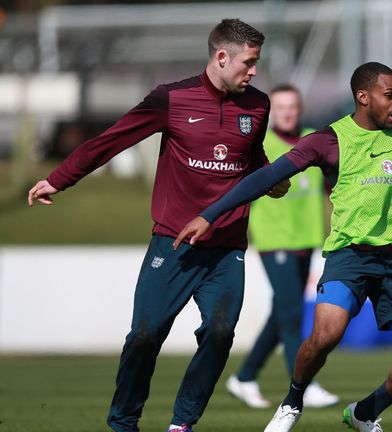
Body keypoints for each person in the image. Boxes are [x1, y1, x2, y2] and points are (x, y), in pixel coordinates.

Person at [27, 19, 290, 432]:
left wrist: (271, 178)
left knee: (221, 333)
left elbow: (250, 156)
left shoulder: (257, 105)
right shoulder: (172, 98)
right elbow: (113, 139)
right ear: (222, 57)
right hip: (172, 244)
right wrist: (61, 177)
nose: (254, 71)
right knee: (144, 338)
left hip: (227, 246)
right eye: (249, 62)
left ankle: (182, 424)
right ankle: (123, 423)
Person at [173, 62, 392, 432]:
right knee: (324, 336)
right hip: (350, 256)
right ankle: (292, 401)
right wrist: (210, 214)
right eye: (389, 95)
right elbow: (268, 175)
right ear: (363, 97)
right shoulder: (329, 140)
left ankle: (364, 413)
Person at [225, 84, 339, 409]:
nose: (287, 112)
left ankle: (245, 376)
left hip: (306, 238)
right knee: (291, 312)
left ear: (300, 108)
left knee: (282, 312)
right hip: (274, 239)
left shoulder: (314, 139)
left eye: (292, 106)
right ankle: (303, 385)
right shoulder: (260, 145)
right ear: (272, 111)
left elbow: (331, 184)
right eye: (281, 107)